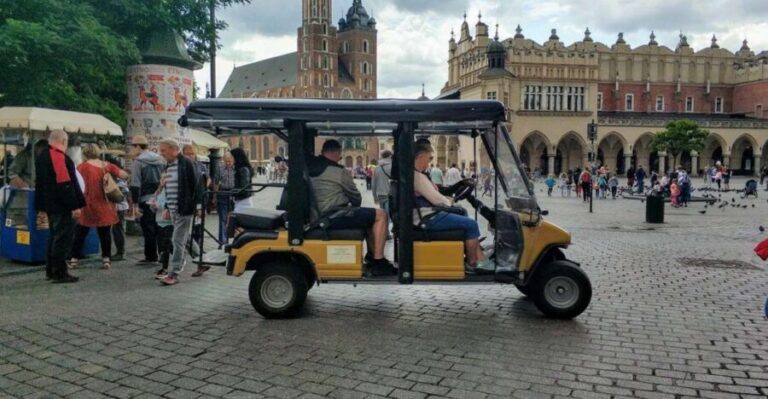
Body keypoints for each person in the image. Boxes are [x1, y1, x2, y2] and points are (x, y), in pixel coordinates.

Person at [308, 139, 393, 274]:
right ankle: (378, 261)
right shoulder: (338, 171)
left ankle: (371, 256)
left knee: (368, 217)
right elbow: (355, 197)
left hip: (319, 214)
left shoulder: (311, 167)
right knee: (381, 214)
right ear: (337, 152)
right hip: (333, 215)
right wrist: (351, 202)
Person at [412, 143, 492, 273]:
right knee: (471, 224)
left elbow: (438, 194)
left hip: (426, 214)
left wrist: (452, 197)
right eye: (429, 158)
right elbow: (437, 199)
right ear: (421, 156)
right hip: (425, 218)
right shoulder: (417, 177)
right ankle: (472, 263)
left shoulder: (418, 174)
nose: (429, 162)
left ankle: (478, 255)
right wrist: (450, 202)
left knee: (463, 215)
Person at [67, 143, 129, 270]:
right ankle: (106, 259)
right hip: (105, 204)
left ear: (84, 153)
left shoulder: (82, 167)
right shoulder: (107, 165)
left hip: (87, 204)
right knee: (105, 233)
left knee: (80, 233)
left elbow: (74, 183)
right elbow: (124, 175)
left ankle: (73, 259)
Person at [35, 130, 85, 283]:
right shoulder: (57, 156)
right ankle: (59, 272)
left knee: (53, 237)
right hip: (62, 206)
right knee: (62, 239)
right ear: (63, 141)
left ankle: (51, 270)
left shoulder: (42, 155)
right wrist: (74, 205)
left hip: (50, 205)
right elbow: (64, 183)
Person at [156, 139, 201, 286]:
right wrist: (168, 206)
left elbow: (196, 185)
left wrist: (198, 206)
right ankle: (201, 259)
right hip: (175, 208)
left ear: (173, 149)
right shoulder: (168, 165)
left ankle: (174, 272)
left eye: (163, 150)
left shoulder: (186, 163)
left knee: (177, 240)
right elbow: (170, 188)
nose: (161, 153)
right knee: (183, 238)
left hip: (184, 208)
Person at [128, 135, 166, 264]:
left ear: (138, 146)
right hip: (160, 198)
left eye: (133, 146)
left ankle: (150, 256)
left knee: (148, 228)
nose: (132, 149)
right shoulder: (161, 160)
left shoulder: (138, 162)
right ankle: (162, 254)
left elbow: (135, 184)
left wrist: (135, 204)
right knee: (160, 227)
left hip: (145, 198)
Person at [152, 177, 174, 279]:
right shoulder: (159, 190)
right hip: (159, 221)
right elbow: (154, 200)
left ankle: (165, 269)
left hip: (169, 222)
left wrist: (158, 205)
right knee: (162, 245)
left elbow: (171, 204)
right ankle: (165, 267)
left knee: (166, 245)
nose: (163, 181)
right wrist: (152, 205)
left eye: (165, 179)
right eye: (162, 179)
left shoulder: (171, 191)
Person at [214, 152, 236, 245]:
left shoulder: (236, 169)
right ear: (223, 160)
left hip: (234, 193)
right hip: (222, 193)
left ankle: (235, 241)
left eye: (230, 161)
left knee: (233, 218)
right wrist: (214, 196)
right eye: (226, 161)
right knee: (223, 218)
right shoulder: (219, 168)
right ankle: (223, 242)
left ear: (233, 160)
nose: (228, 163)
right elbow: (216, 182)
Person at [371, 150, 393, 239]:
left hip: (380, 194)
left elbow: (373, 184)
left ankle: (384, 232)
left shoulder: (377, 168)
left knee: (383, 214)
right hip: (389, 194)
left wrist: (374, 196)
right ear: (390, 156)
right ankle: (386, 233)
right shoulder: (392, 167)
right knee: (387, 215)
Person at [111, 174, 131, 261]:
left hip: (119, 208)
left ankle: (121, 253)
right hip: (118, 208)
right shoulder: (117, 180)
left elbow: (124, 193)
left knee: (118, 230)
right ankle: (120, 252)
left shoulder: (119, 181)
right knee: (116, 230)